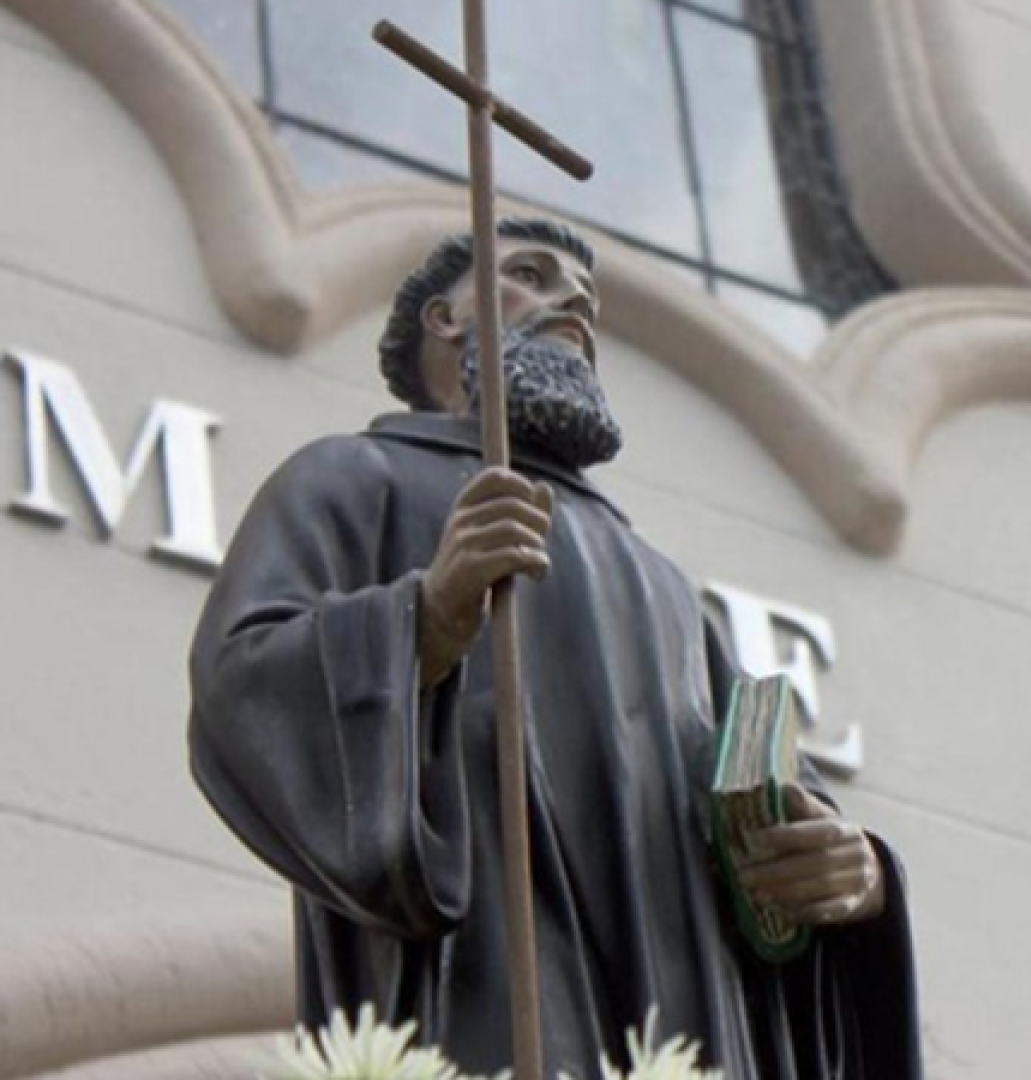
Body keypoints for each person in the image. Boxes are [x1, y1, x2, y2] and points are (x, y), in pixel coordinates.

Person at [188, 217, 919, 1080]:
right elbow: (244, 688)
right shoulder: (353, 479)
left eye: (585, 296)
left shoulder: (666, 586)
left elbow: (763, 798)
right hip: (483, 975)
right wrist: (425, 620)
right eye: (530, 274)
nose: (572, 299)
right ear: (444, 321)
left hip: (681, 1016)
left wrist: (851, 879)